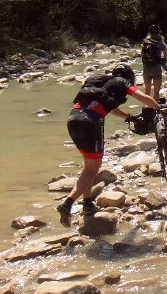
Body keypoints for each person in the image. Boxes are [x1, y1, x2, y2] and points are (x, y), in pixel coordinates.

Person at [58, 64, 160, 226]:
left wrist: (129, 117)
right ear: (129, 78)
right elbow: (145, 99)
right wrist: (159, 108)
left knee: (88, 167)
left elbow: (108, 108)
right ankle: (67, 204)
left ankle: (87, 204)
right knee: (91, 170)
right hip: (91, 122)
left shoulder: (96, 80)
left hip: (73, 119)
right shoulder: (123, 82)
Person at [140, 24, 167, 102]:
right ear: (159, 32)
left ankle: (146, 109)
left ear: (150, 32)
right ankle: (156, 110)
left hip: (146, 68)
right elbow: (166, 54)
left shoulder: (145, 42)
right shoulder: (160, 43)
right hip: (156, 68)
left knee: (147, 92)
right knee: (156, 93)